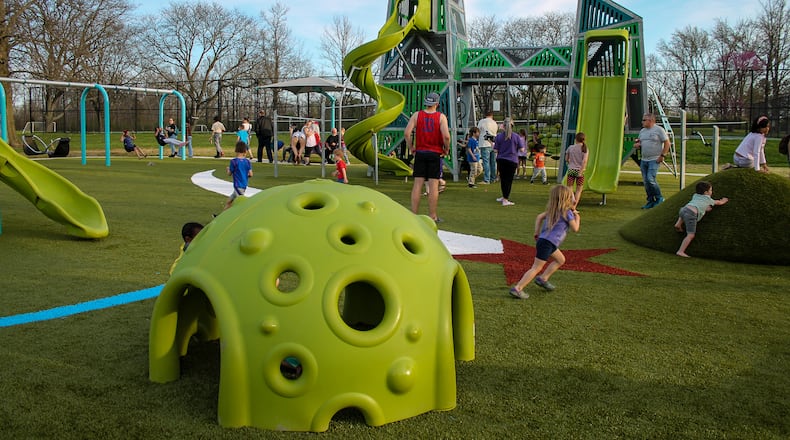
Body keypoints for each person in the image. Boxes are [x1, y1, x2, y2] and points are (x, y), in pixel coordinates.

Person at [509, 185, 581, 299]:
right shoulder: (568, 213)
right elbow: (575, 228)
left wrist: (536, 232)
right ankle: (518, 288)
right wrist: (577, 216)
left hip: (546, 241)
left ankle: (543, 279)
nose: (575, 199)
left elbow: (539, 217)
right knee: (536, 267)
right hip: (548, 243)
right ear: (566, 198)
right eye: (572, 196)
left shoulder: (553, 209)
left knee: (561, 260)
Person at [404, 91, 451, 222]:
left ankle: (413, 214)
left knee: (417, 184)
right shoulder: (441, 117)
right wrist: (446, 149)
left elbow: (407, 133)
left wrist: (411, 147)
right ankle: (432, 215)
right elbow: (446, 136)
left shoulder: (417, 115)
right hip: (435, 153)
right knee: (433, 185)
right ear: (437, 103)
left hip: (420, 152)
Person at [674, 181, 729, 258]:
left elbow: (699, 204)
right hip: (692, 214)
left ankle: (678, 224)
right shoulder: (708, 199)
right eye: (710, 190)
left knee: (684, 213)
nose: (711, 192)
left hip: (684, 209)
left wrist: (705, 209)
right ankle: (680, 251)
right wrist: (723, 201)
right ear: (706, 192)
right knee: (690, 235)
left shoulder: (695, 195)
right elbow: (718, 202)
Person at [634, 113, 670, 209]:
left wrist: (662, 155)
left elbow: (667, 143)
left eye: (644, 120)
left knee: (651, 179)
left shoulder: (659, 130)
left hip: (654, 159)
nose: (642, 122)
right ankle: (650, 200)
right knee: (646, 181)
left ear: (651, 121)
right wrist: (637, 144)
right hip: (644, 159)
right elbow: (640, 141)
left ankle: (659, 198)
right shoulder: (642, 131)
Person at [492, 117, 523, 206]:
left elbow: (495, 150)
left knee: (503, 179)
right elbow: (522, 149)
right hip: (512, 160)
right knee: (508, 181)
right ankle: (505, 199)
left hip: (501, 160)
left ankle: (504, 196)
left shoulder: (499, 136)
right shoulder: (516, 136)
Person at [225, 141, 253, 210]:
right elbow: (251, 174)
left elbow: (229, 174)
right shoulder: (247, 162)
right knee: (229, 201)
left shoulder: (234, 161)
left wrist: (228, 169)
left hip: (238, 185)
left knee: (239, 204)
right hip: (243, 184)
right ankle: (221, 216)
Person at [565, 132, 589, 207]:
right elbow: (584, 161)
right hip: (580, 171)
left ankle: (572, 198)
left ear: (576, 139)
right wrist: (581, 171)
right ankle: (574, 206)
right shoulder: (585, 149)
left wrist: (570, 163)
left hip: (571, 169)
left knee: (570, 187)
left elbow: (566, 159)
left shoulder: (570, 147)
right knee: (579, 190)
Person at [477, 110, 498, 184]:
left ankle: (487, 179)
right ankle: (493, 178)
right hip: (493, 144)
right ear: (492, 116)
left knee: (486, 162)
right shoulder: (494, 123)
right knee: (493, 162)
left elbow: (478, 130)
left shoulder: (482, 121)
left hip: (484, 143)